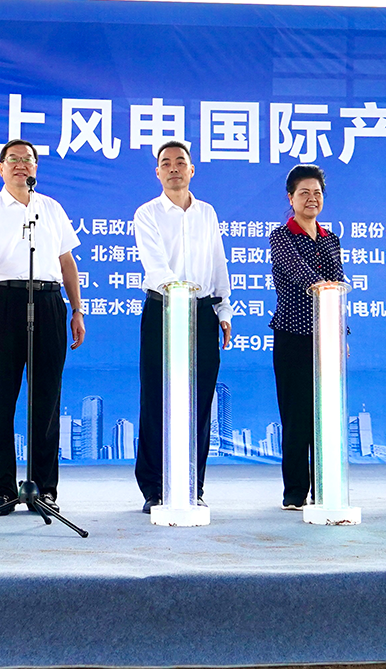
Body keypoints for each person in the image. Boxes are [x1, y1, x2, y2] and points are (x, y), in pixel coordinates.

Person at [0, 139, 86, 513]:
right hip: (3, 301)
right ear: (0, 168)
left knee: (47, 400)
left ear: (36, 168)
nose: (20, 165)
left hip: (48, 301)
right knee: (1, 399)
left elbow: (67, 262)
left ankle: (44, 489)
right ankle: (1, 490)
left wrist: (77, 310)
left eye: (27, 159)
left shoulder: (51, 208)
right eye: (12, 159)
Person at [131, 140, 232, 514]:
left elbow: (218, 262)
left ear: (192, 170)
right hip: (163, 309)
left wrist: (223, 308)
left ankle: (192, 485)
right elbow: (156, 266)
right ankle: (155, 487)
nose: (173, 168)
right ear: (157, 172)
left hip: (202, 312)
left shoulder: (207, 213)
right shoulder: (147, 213)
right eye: (166, 163)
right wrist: (178, 292)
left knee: (200, 402)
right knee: (155, 399)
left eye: (180, 162)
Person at [268, 163, 344, 511]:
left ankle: (325, 487)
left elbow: (339, 285)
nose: (311, 198)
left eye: (317, 193)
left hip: (326, 338)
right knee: (296, 414)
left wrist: (340, 332)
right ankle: (296, 490)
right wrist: (324, 286)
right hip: (292, 336)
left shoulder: (331, 239)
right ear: (291, 197)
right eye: (304, 193)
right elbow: (298, 272)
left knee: (325, 415)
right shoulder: (281, 236)